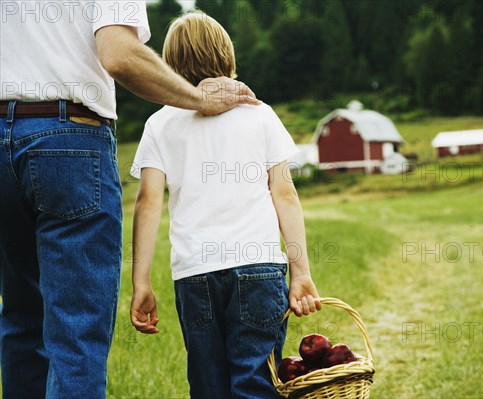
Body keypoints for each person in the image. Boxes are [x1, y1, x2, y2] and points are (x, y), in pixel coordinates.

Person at [0, 1, 259, 398]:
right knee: (76, 330)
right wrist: (197, 99)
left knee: (20, 318)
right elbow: (120, 55)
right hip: (67, 138)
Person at [129, 11, 321, 399]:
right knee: (255, 382)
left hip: (195, 275)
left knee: (207, 385)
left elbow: (148, 203)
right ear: (227, 57)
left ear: (170, 65)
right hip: (258, 268)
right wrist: (300, 270)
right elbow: (285, 195)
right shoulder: (259, 114)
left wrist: (141, 282)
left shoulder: (160, 124)